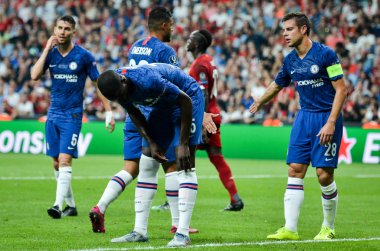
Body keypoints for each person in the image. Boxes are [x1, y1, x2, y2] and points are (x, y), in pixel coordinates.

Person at [89, 6, 200, 235]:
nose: (172, 28)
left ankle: (101, 206)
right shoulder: (165, 51)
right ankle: (176, 223)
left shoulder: (135, 46)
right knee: (170, 164)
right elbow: (177, 88)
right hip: (150, 107)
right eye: (170, 24)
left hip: (139, 107)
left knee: (131, 167)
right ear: (163, 25)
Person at [249, 12, 346, 240]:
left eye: (289, 29)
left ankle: (328, 227)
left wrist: (331, 122)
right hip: (304, 118)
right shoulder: (290, 59)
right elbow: (277, 84)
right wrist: (260, 101)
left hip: (326, 117)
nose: (284, 34)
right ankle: (290, 229)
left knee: (323, 174)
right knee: (295, 169)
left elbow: (341, 89)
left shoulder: (325, 55)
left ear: (303, 29)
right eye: (283, 30)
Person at [97, 63, 204, 247]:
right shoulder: (117, 88)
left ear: (123, 80)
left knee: (185, 163)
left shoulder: (148, 81)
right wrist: (152, 142)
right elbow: (134, 113)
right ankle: (139, 231)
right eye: (118, 99)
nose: (123, 98)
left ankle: (183, 234)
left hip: (188, 98)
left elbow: (184, 100)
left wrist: (184, 143)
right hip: (162, 105)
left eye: (122, 95)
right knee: (147, 162)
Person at [30, 15, 115, 219]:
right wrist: (45, 49)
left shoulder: (83, 56)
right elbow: (34, 76)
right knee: (56, 163)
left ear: (73, 32)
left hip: (72, 115)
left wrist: (109, 112)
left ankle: (57, 206)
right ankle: (71, 205)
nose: (62, 32)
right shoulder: (51, 55)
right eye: (59, 27)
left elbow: (99, 83)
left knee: (65, 160)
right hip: (53, 114)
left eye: (66, 29)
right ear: (54, 28)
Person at [186, 29, 244, 211]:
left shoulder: (200, 64)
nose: (187, 41)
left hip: (203, 117)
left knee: (183, 156)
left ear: (196, 44)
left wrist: (202, 122)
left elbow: (202, 93)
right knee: (217, 158)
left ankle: (174, 199)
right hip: (214, 114)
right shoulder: (209, 61)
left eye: (190, 39)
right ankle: (235, 198)